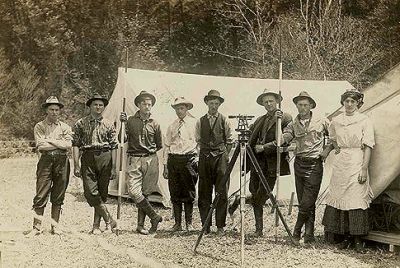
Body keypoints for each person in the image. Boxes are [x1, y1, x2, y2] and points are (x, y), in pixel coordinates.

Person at [322, 88, 375, 253]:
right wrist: (337, 147)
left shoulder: (364, 120)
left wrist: (364, 169)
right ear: (343, 103)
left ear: (358, 102)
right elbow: (331, 138)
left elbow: (368, 146)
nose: (350, 104)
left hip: (357, 161)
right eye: (347, 101)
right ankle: (344, 237)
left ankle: (358, 240)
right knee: (341, 198)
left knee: (356, 199)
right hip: (341, 163)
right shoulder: (336, 121)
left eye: (353, 101)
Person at [282, 91, 331, 244]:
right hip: (299, 164)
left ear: (311, 106)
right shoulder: (292, 123)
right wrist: (279, 124)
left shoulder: (322, 120)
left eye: (305, 105)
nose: (302, 107)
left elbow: (335, 137)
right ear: (296, 106)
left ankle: (296, 232)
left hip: (314, 164)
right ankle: (309, 235)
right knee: (306, 201)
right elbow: (283, 139)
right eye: (300, 105)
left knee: (306, 202)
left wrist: (326, 151)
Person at [248, 89, 292, 237]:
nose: (268, 104)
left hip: (273, 163)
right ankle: (258, 229)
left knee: (264, 193)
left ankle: (248, 202)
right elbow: (251, 135)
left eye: (271, 101)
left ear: (277, 101)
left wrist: (264, 147)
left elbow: (284, 139)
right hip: (257, 162)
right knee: (255, 192)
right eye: (265, 102)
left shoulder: (285, 118)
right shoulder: (260, 119)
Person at [72, 93, 118, 234]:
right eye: (95, 105)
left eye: (101, 105)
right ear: (90, 106)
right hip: (88, 156)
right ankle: (109, 219)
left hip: (105, 156)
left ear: (104, 107)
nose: (98, 107)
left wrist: (114, 167)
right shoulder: (81, 123)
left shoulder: (109, 124)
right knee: (90, 192)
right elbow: (75, 144)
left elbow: (114, 146)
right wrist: (76, 164)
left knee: (102, 192)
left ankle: (96, 225)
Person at [120, 90, 163, 235]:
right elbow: (122, 138)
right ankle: (154, 216)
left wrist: (149, 154)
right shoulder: (130, 121)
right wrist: (122, 124)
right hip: (135, 158)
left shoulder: (155, 123)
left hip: (151, 159)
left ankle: (140, 225)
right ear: (138, 105)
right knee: (134, 191)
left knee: (146, 193)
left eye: (149, 103)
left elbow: (159, 144)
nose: (147, 106)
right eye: (144, 103)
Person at [29, 96, 72, 235]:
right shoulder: (40, 126)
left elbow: (68, 145)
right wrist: (58, 143)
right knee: (41, 193)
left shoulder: (65, 127)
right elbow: (41, 146)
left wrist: (50, 140)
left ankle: (55, 226)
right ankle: (36, 227)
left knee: (59, 193)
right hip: (46, 161)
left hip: (62, 161)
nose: (54, 112)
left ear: (59, 111)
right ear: (46, 110)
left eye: (56, 110)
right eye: (51, 109)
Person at [195, 90, 233, 235]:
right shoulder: (200, 121)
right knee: (204, 191)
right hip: (205, 158)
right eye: (211, 103)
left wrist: (225, 155)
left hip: (221, 158)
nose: (214, 106)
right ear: (207, 103)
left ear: (219, 104)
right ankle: (206, 225)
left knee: (222, 192)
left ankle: (220, 226)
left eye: (216, 103)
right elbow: (198, 140)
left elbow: (230, 140)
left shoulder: (224, 120)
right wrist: (204, 153)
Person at [163, 97, 198, 233]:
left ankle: (189, 223)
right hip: (174, 160)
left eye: (182, 108)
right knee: (175, 192)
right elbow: (167, 146)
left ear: (187, 108)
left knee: (188, 191)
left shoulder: (195, 124)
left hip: (189, 160)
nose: (179, 111)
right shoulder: (172, 125)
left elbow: (199, 143)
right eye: (177, 108)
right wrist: (166, 166)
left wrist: (197, 159)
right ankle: (177, 223)